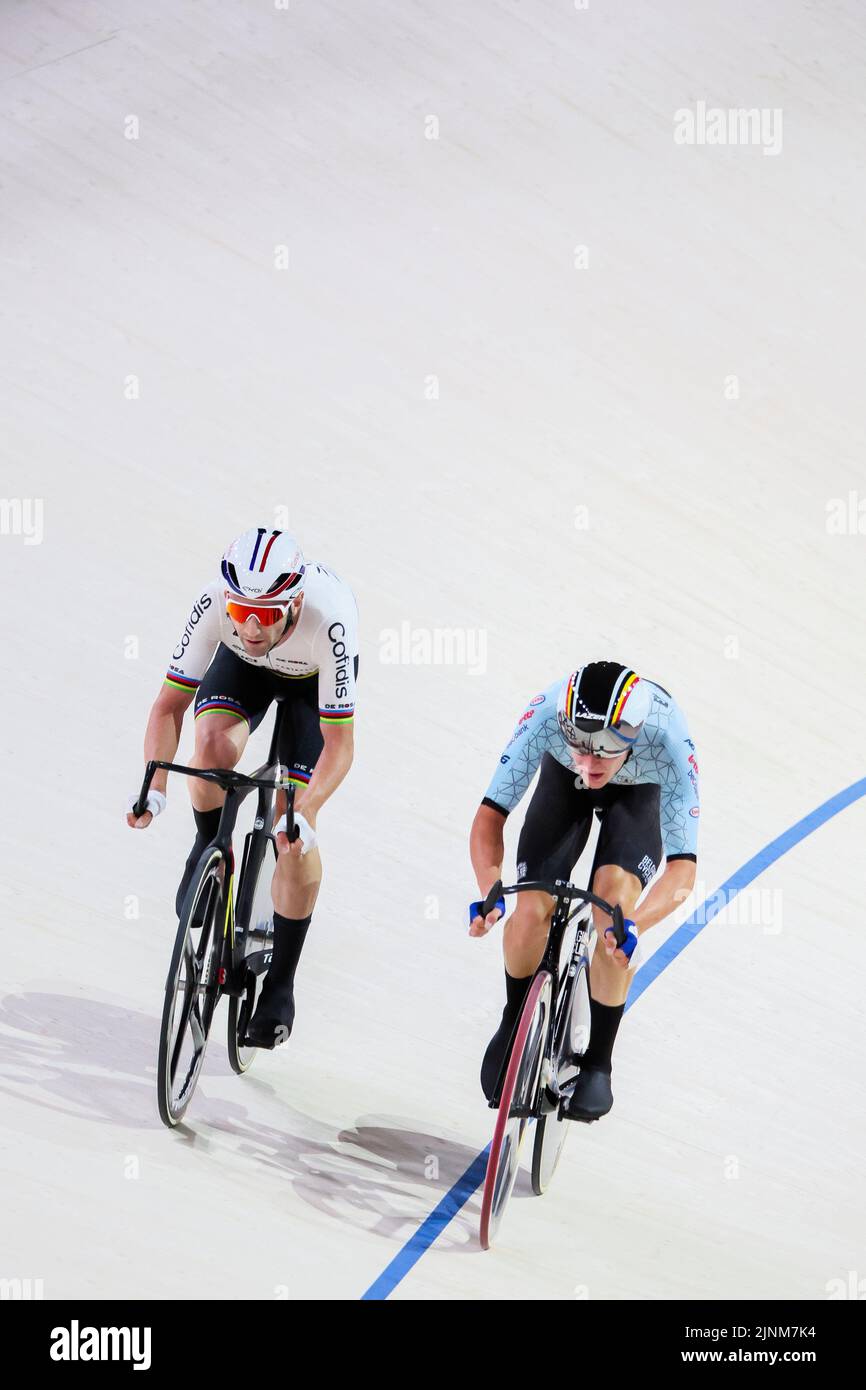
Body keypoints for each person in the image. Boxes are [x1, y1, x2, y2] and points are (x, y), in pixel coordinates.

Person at [126, 526, 358, 1049]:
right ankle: (209, 844)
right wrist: (156, 784)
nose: (252, 626)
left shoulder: (331, 622)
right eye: (240, 612)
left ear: (294, 602)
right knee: (210, 752)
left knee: (291, 830)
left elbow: (340, 747)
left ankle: (280, 985)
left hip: (310, 683)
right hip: (246, 673)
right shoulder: (214, 603)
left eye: (268, 613)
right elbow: (168, 706)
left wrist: (307, 809)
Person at [469, 661, 699, 1121]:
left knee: (612, 911)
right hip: (562, 785)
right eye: (580, 746)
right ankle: (514, 1018)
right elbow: (490, 816)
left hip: (639, 793)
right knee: (533, 904)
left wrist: (634, 924)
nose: (590, 764)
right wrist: (490, 890)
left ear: (632, 734)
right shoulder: (546, 717)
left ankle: (598, 1061)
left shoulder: (667, 740)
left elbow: (682, 871)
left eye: (605, 751)